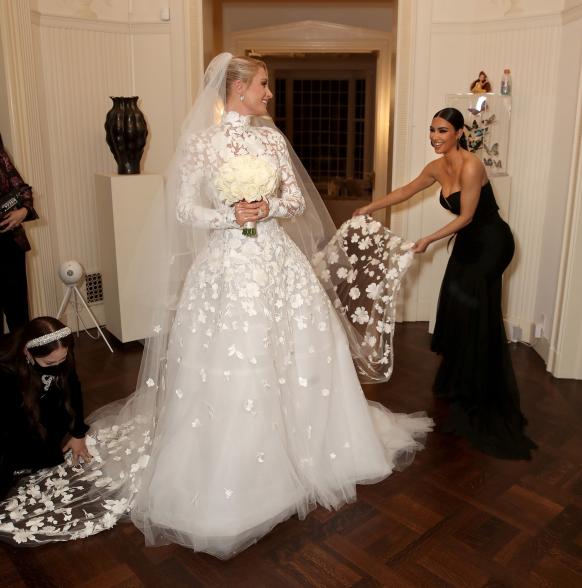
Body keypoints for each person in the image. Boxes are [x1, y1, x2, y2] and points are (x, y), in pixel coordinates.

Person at [0, 54, 432, 554]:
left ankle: (316, 447)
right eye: (264, 85)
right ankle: (243, 467)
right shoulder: (204, 144)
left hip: (276, 259)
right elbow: (185, 207)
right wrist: (231, 214)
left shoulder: (272, 139)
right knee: (237, 356)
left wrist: (267, 206)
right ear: (240, 87)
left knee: (298, 347)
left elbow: (294, 198)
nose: (269, 94)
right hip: (228, 264)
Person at [354, 107, 536, 460]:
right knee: (455, 301)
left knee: (475, 305)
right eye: (432, 130)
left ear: (459, 132)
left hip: (491, 242)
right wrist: (369, 207)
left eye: (442, 131)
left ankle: (479, 386)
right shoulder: (437, 167)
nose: (435, 137)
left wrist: (427, 240)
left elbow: (468, 216)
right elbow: (407, 190)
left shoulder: (472, 165)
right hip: (467, 242)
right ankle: (460, 380)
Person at [0, 316, 90, 498]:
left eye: (62, 359)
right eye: (49, 363)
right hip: (11, 421)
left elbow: (73, 388)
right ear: (28, 352)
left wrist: (78, 433)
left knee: (49, 458)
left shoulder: (61, 355)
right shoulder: (6, 372)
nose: (58, 367)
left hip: (43, 412)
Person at [0, 134, 38, 334]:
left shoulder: (0, 156)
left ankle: (22, 364)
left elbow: (22, 189)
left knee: (19, 314)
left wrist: (23, 211)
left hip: (10, 245)